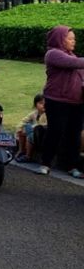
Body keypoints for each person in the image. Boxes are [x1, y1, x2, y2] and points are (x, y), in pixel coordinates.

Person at [38, 26, 84, 177]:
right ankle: (45, 163)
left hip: (76, 102)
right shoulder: (53, 54)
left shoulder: (73, 56)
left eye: (74, 39)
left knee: (74, 134)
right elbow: (74, 64)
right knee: (55, 131)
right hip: (57, 101)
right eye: (70, 39)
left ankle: (72, 166)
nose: (73, 41)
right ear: (60, 39)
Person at [16, 93, 47, 163]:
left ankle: (28, 156)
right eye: (41, 103)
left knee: (29, 135)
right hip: (34, 132)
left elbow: (43, 125)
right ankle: (21, 150)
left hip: (41, 135)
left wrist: (33, 127)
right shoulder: (34, 113)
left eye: (45, 103)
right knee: (22, 130)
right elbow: (24, 120)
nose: (43, 105)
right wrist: (19, 128)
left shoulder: (47, 114)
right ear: (36, 104)